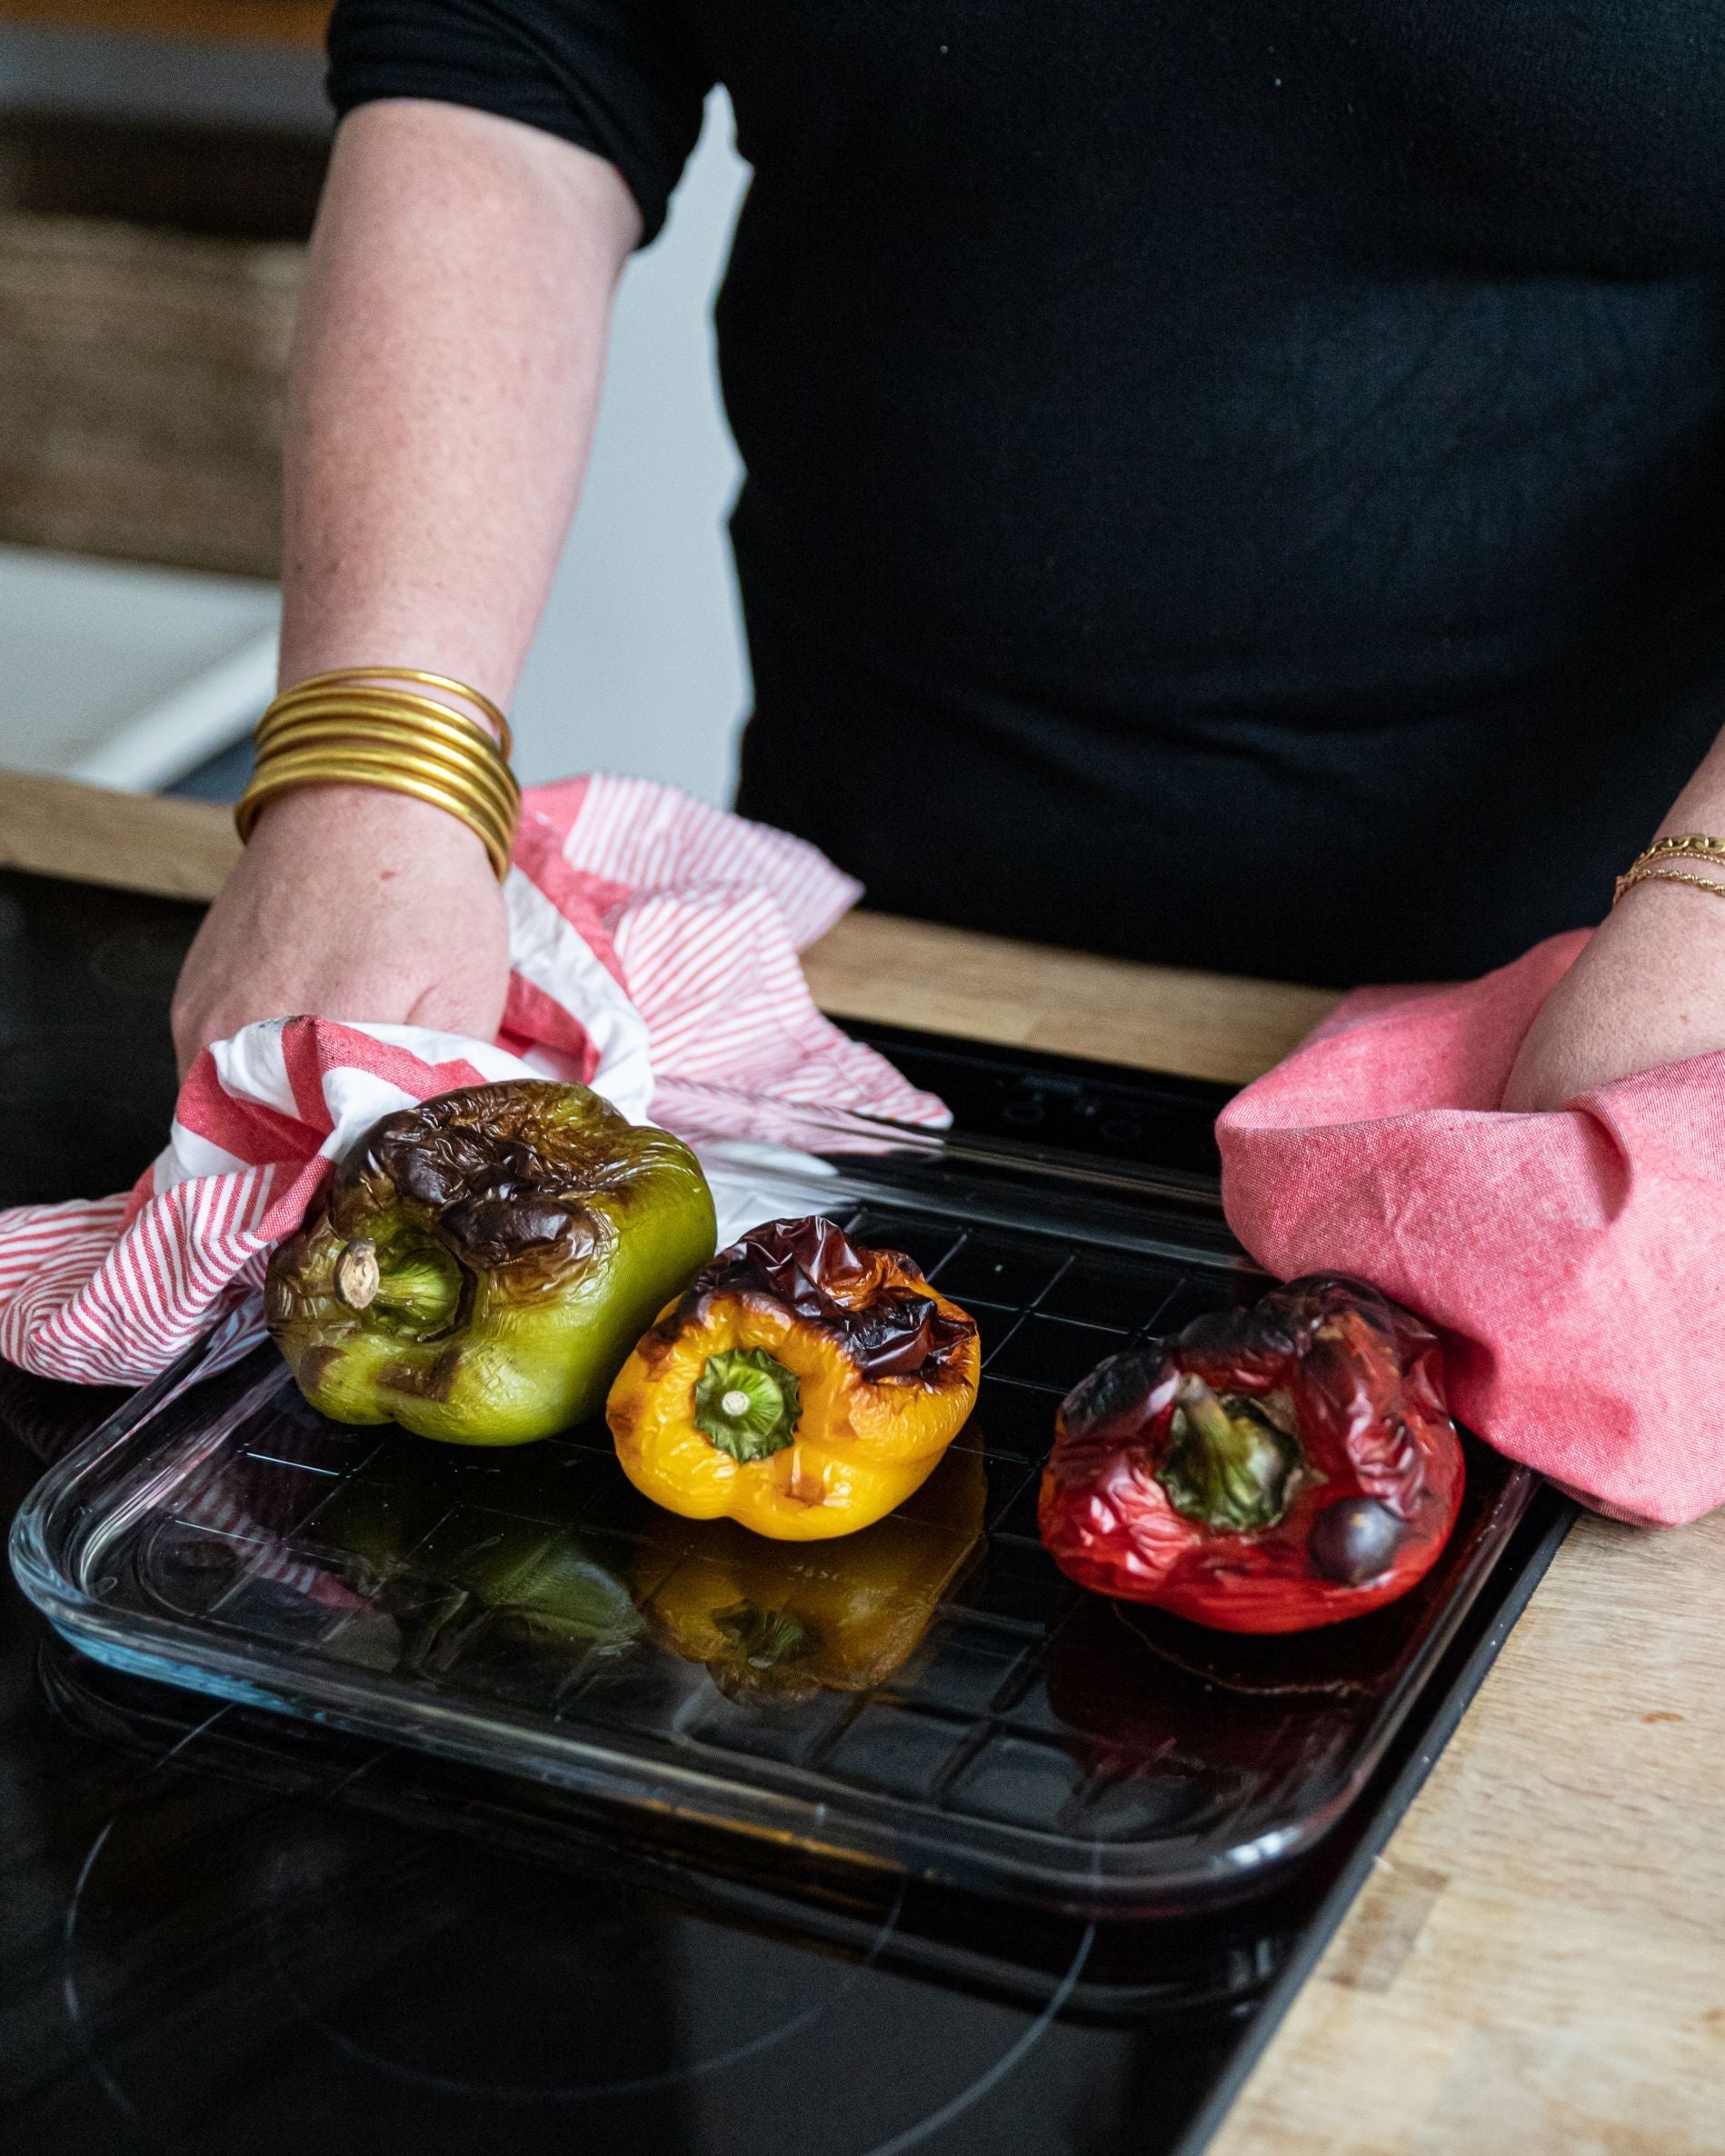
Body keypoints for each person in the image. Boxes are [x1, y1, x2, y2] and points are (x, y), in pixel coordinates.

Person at [170, 2, 1725, 1115]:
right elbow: (513, 63)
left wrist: (1703, 913)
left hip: (1596, 986)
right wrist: (377, 763)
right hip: (874, 961)